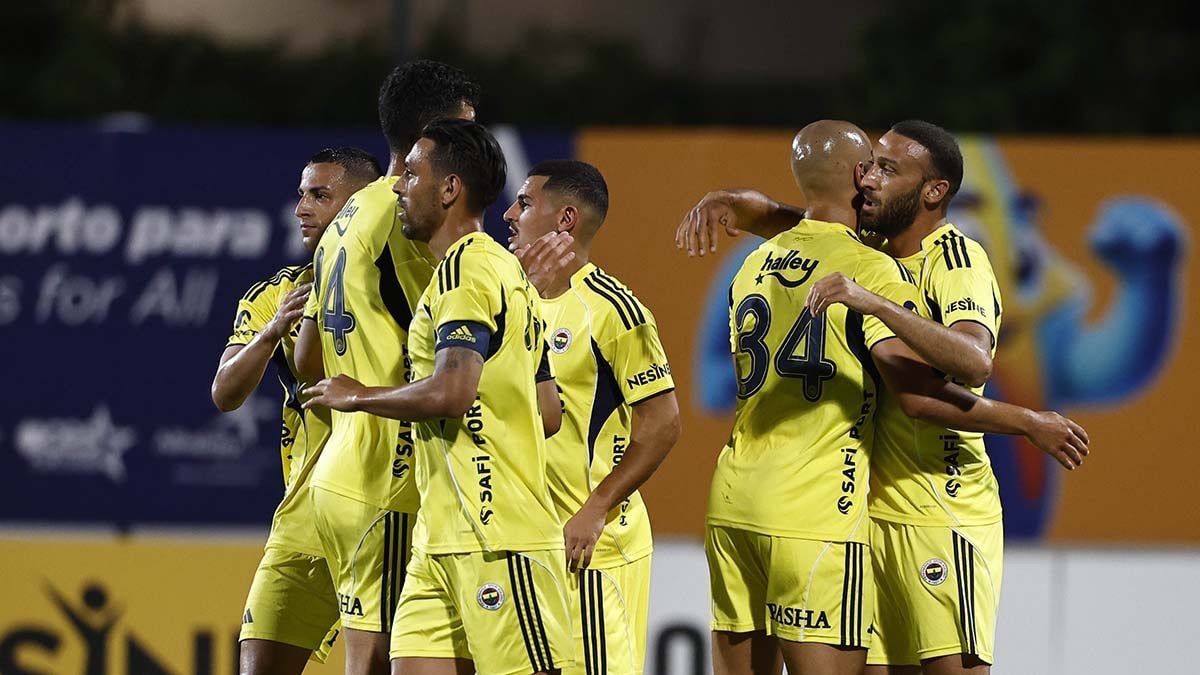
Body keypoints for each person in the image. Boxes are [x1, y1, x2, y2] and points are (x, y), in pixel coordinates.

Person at [676, 120, 1089, 675]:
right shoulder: (871, 250)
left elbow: (971, 363)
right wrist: (736, 204)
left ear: (934, 191)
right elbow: (805, 223)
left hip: (937, 509)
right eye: (869, 166)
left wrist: (1029, 422)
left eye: (887, 170)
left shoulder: (956, 261)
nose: (869, 179)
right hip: (868, 512)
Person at [304, 118, 572, 675]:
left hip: (498, 535)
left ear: (449, 189)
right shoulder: (500, 272)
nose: (399, 186)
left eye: (412, 174)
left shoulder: (466, 271)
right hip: (437, 537)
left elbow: (453, 392)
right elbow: (548, 411)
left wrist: (360, 396)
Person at [293, 61, 480, 675]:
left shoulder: (350, 214)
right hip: (390, 478)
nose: (474, 145)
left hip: (343, 470)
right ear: (429, 137)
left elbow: (306, 359)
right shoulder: (411, 221)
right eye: (464, 131)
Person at [504, 160, 683, 675]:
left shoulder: (612, 310)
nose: (509, 214)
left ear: (565, 220)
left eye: (525, 203)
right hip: (525, 541)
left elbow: (664, 422)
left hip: (589, 549)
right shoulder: (509, 298)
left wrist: (597, 507)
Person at [211, 147, 380, 674]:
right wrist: (270, 334)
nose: (302, 208)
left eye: (320, 196)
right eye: (302, 195)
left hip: (384, 510)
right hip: (305, 516)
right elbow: (225, 393)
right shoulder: (277, 293)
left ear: (361, 205)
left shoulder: (402, 284)